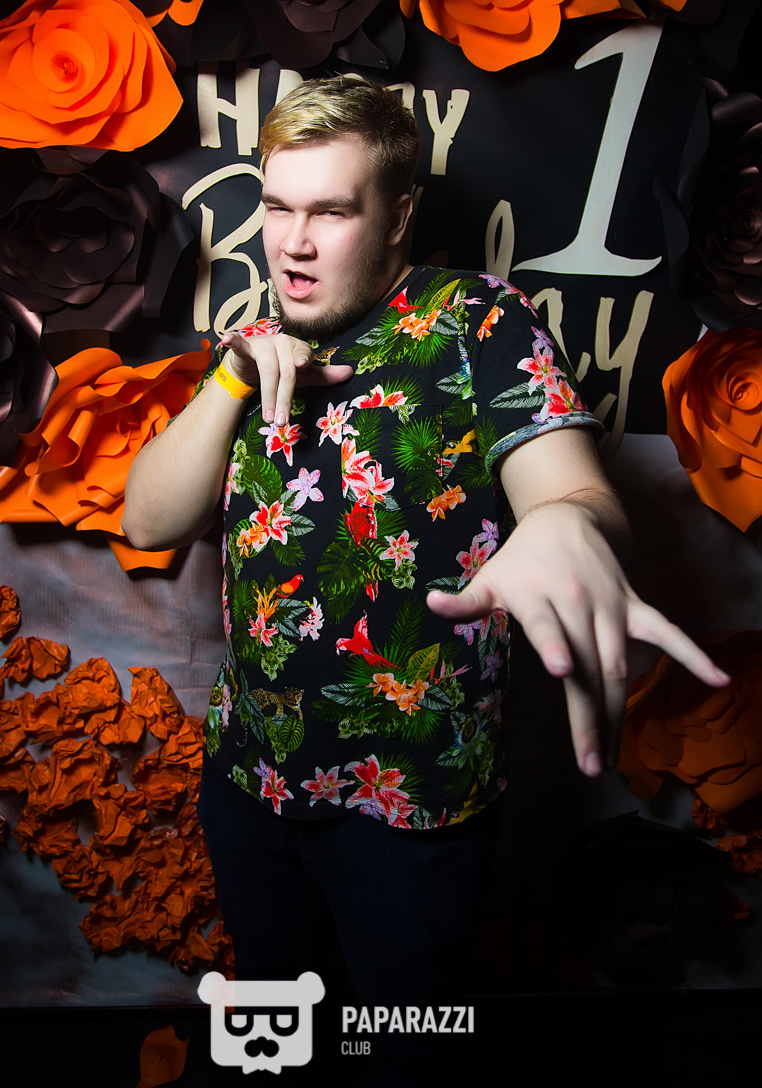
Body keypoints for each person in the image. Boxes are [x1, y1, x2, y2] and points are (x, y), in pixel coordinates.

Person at [122, 76, 728, 1079]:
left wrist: (567, 522)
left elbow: (569, 487)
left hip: (410, 807)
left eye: (330, 211)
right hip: (251, 778)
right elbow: (149, 520)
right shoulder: (256, 338)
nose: (291, 244)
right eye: (276, 207)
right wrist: (233, 369)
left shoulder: (476, 320)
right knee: (275, 1027)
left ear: (399, 214)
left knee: (405, 1043)